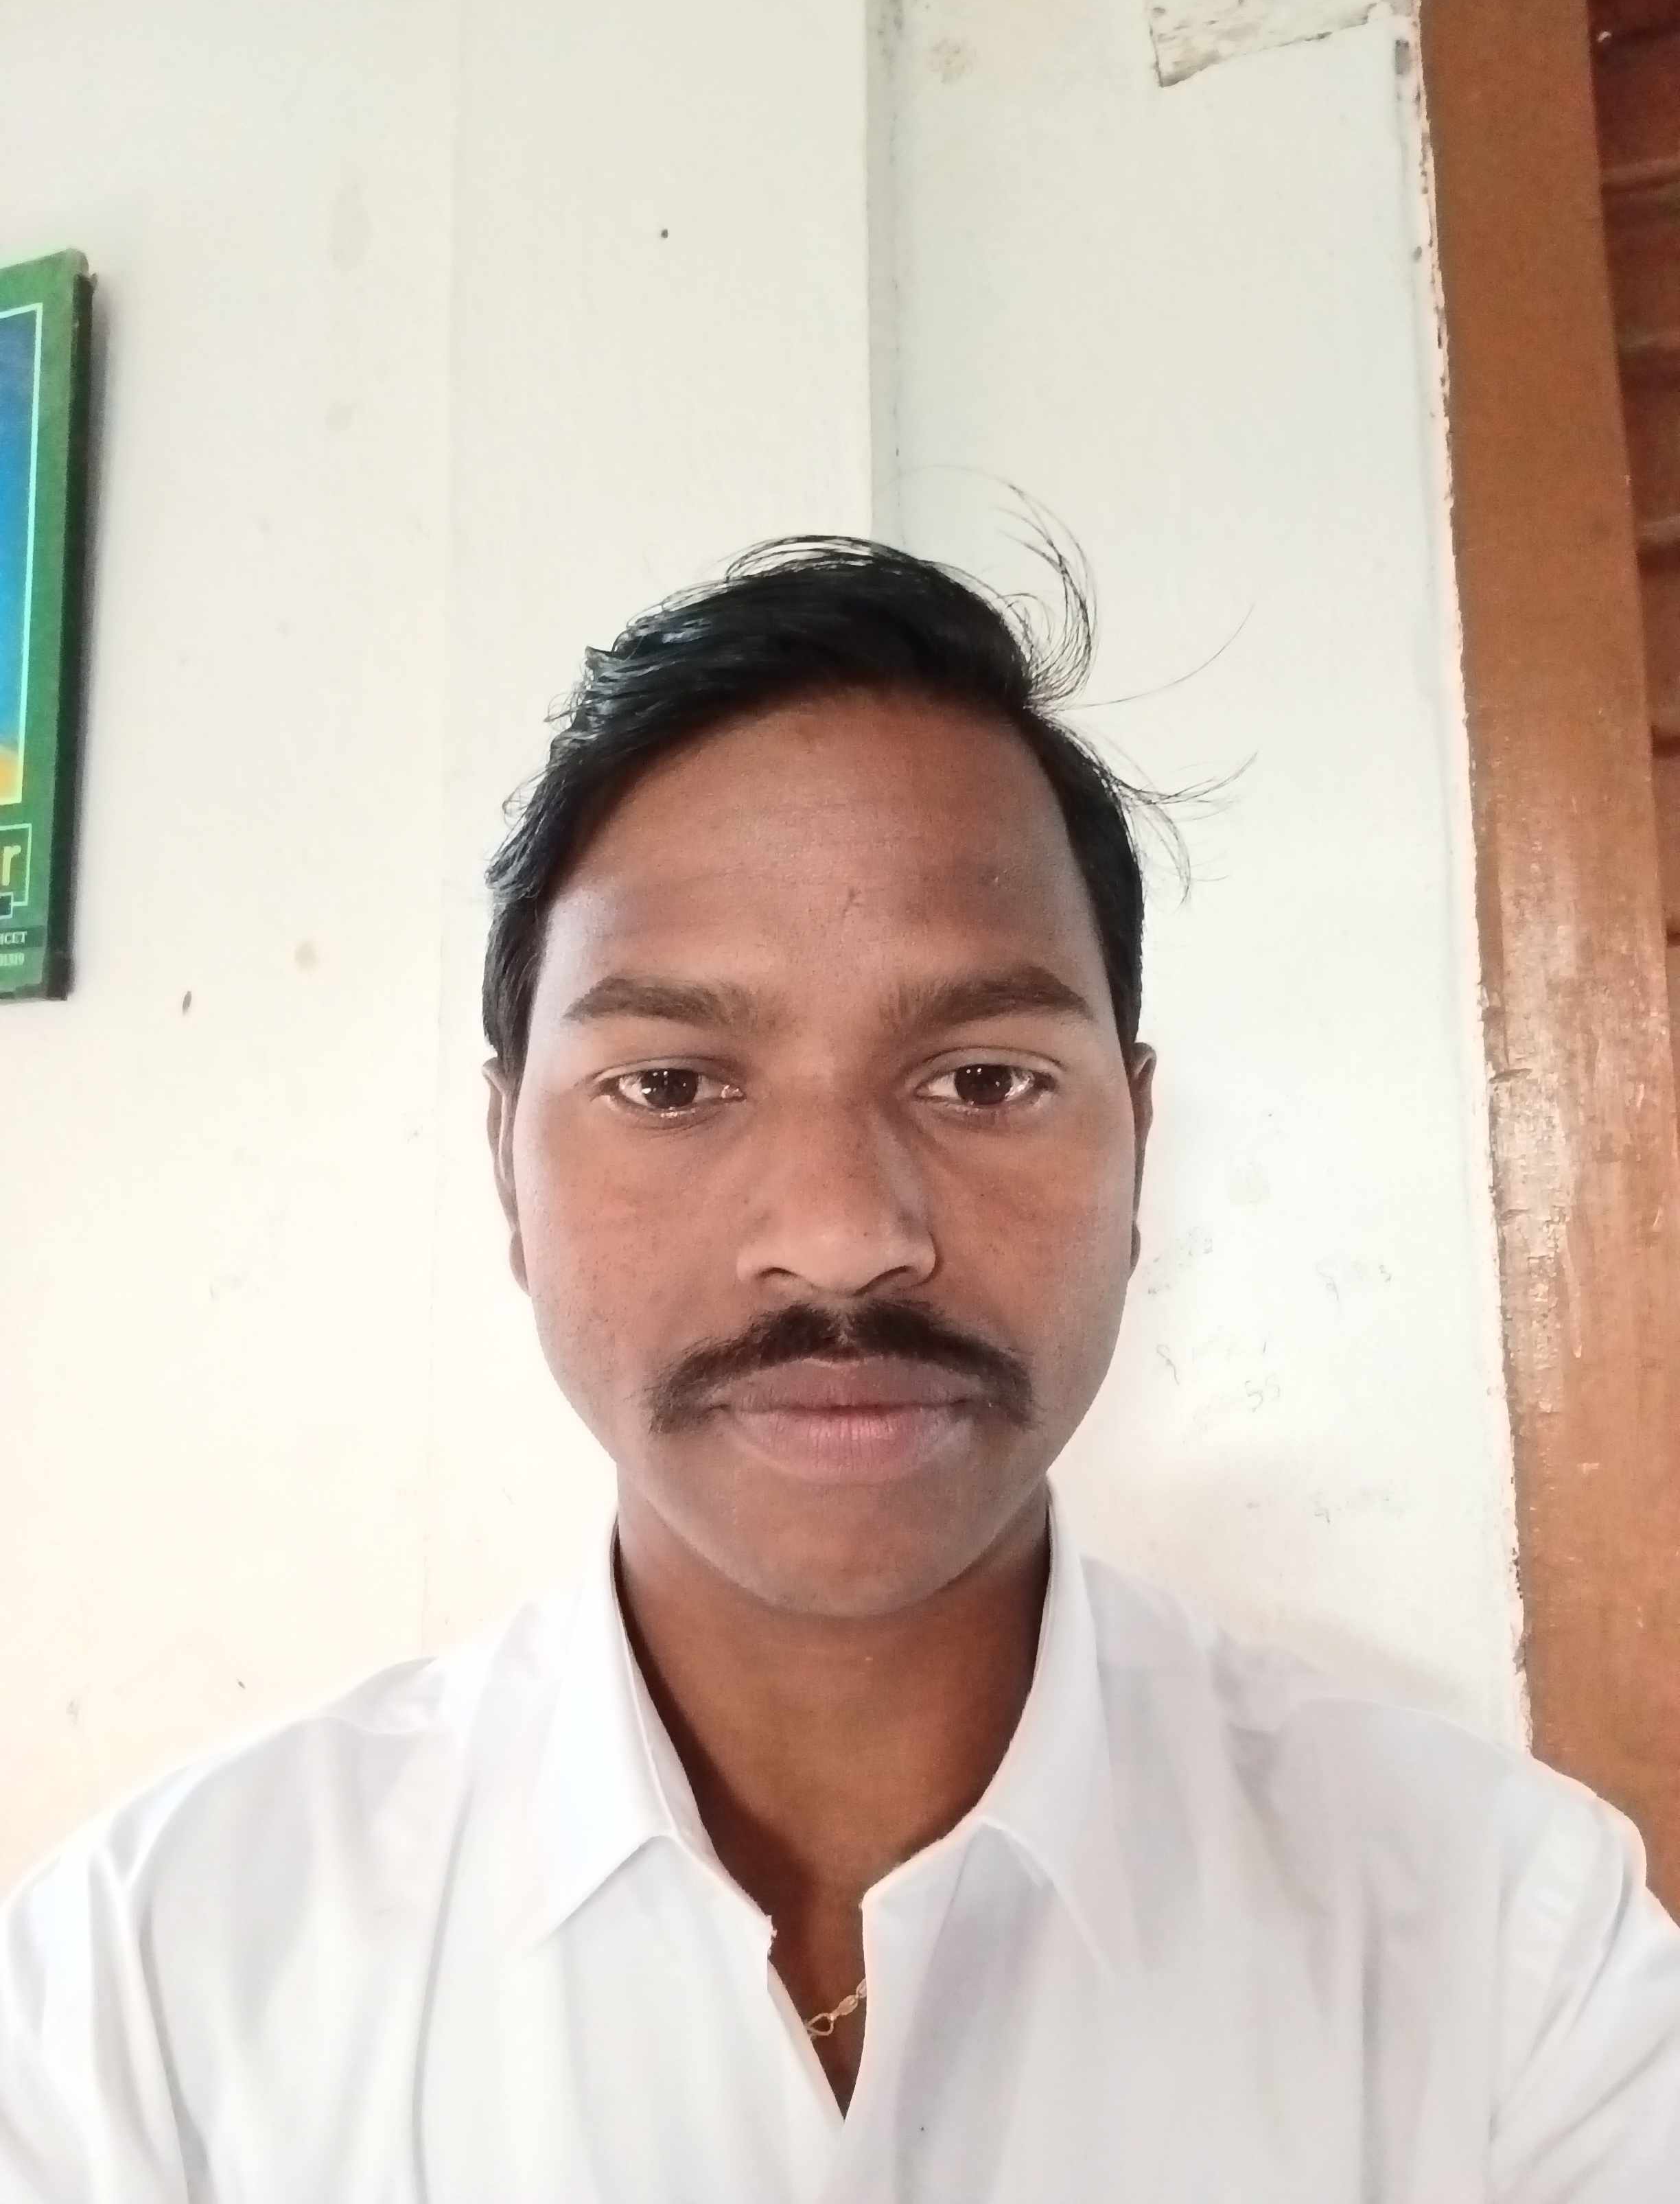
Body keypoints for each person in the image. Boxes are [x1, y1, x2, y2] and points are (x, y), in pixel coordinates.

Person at [2, 538, 1677, 2200]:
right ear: (508, 1162)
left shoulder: (1511, 1955)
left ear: (1137, 1146)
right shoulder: (145, 1996)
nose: (842, 1237)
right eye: (672, 1084)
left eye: (985, 1081)